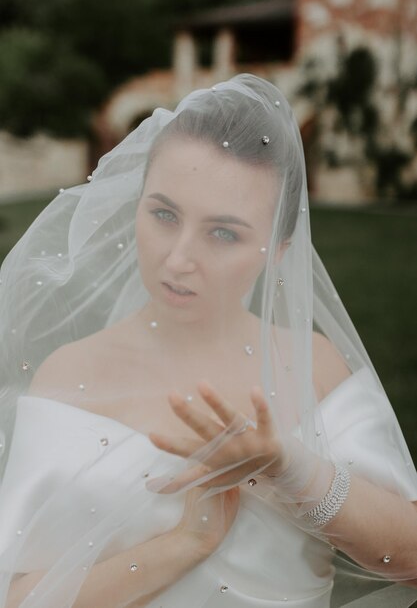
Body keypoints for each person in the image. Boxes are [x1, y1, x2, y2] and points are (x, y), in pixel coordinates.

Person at [0, 74, 416, 608]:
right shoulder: (68, 374)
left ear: (280, 249)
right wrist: (183, 544)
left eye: (223, 233)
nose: (177, 259)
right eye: (164, 214)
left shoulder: (315, 369)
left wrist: (293, 469)